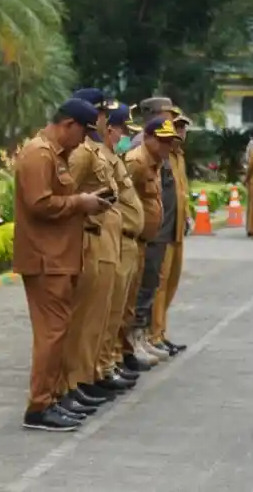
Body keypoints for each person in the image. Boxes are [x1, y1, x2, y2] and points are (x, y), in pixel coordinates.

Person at [15, 98, 111, 431]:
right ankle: (39, 406)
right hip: (45, 258)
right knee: (51, 335)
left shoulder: (56, 155)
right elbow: (39, 203)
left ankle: (53, 399)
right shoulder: (38, 154)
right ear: (68, 124)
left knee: (58, 332)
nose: (84, 141)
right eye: (83, 132)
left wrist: (86, 203)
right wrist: (80, 202)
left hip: (59, 256)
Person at [56, 89, 128, 418]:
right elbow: (65, 193)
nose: (104, 120)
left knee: (96, 318)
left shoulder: (95, 150)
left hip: (104, 238)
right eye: (101, 114)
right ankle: (73, 381)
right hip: (88, 238)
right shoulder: (82, 152)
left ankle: (85, 377)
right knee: (82, 320)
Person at [99, 103, 146, 379]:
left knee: (118, 310)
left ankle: (110, 362)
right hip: (111, 242)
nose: (126, 136)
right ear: (110, 129)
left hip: (127, 241)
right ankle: (102, 367)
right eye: (124, 130)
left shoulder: (115, 158)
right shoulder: (100, 158)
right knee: (106, 313)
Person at [127, 118, 179, 365]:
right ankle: (131, 343)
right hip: (138, 238)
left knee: (150, 286)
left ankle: (143, 337)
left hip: (154, 236)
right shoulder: (136, 162)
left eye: (169, 142)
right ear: (147, 137)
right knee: (138, 291)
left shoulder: (157, 162)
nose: (166, 147)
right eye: (161, 141)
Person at [149, 108, 191, 357]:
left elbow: (181, 190)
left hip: (176, 227)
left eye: (184, 127)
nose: (182, 131)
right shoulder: (160, 156)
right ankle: (153, 334)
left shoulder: (178, 156)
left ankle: (160, 332)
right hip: (162, 229)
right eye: (178, 126)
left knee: (171, 283)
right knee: (159, 285)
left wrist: (187, 214)